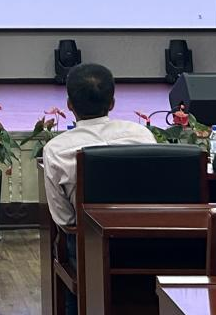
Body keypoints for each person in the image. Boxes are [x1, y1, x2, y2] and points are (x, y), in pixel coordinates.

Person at [41, 62, 154, 315]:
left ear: (69, 105)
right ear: (112, 103)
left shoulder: (57, 150)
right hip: (148, 245)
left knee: (72, 257)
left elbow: (64, 219)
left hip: (91, 249)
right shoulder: (142, 136)